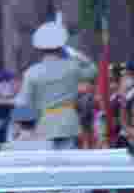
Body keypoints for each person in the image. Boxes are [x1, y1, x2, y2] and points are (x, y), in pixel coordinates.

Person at [16, 19, 97, 149]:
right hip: (69, 124)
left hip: (44, 125)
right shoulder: (72, 67)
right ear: (61, 46)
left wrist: (24, 129)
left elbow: (23, 103)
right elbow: (93, 70)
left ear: (39, 48)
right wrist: (75, 53)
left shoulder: (31, 72)